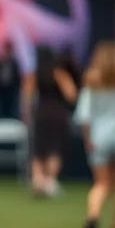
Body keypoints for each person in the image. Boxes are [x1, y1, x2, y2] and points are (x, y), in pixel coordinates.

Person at [73, 41, 115, 228]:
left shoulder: (91, 83)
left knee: (101, 184)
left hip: (99, 137)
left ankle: (93, 217)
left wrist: (88, 139)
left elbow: (84, 116)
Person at [26, 46, 78, 198]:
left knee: (39, 149)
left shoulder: (33, 74)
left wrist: (27, 116)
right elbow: (72, 94)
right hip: (57, 113)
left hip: (41, 113)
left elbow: (27, 98)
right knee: (54, 148)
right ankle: (49, 181)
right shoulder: (59, 73)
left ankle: (37, 180)